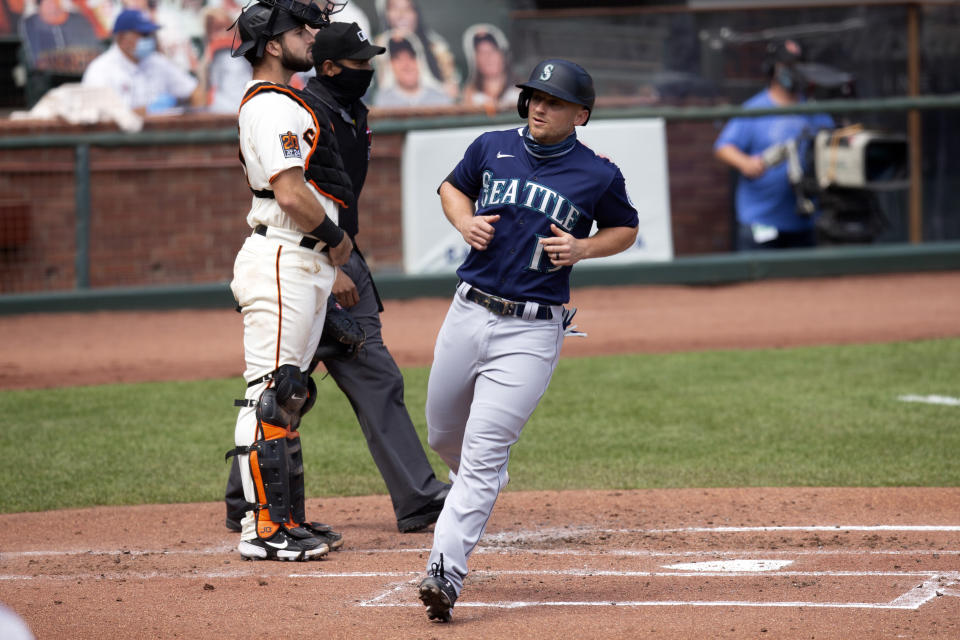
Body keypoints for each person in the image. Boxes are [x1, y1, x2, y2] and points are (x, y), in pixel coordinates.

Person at [416, 59, 639, 622]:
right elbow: (450, 189)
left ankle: (445, 571)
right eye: (535, 96)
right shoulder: (492, 145)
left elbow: (626, 227)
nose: (539, 106)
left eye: (555, 101)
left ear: (580, 115)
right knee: (444, 434)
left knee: (483, 454)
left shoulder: (598, 174)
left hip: (532, 330)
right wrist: (463, 222)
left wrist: (586, 248)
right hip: (467, 314)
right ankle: (481, 478)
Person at [223, 21, 451, 536]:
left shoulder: (347, 109)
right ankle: (417, 497)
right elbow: (303, 196)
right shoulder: (307, 110)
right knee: (328, 376)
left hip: (333, 256)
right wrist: (339, 263)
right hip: (319, 260)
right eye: (359, 64)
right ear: (329, 67)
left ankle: (245, 499)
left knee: (290, 384)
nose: (368, 71)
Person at [224, 0, 352, 562]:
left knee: (290, 394)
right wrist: (338, 240)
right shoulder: (272, 105)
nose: (311, 35)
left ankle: (287, 518)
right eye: (299, 30)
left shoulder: (282, 101)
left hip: (296, 260)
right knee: (270, 395)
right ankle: (262, 528)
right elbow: (292, 193)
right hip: (283, 256)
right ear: (272, 45)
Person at [714, 39, 835, 250]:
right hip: (761, 220)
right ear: (773, 69)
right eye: (787, 66)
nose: (793, 71)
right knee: (759, 282)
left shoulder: (816, 111)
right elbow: (723, 147)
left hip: (804, 219)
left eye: (798, 66)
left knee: (804, 283)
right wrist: (746, 163)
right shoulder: (755, 108)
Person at [81, 8, 203, 114]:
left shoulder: (157, 61)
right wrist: (147, 111)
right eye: (143, 34)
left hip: (160, 136)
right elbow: (99, 119)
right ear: (122, 38)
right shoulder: (100, 70)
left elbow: (196, 91)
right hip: (119, 139)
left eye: (150, 34)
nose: (149, 39)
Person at [373, 0, 457, 100]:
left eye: (408, 9)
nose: (401, 14)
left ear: (417, 13)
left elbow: (453, 89)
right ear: (385, 14)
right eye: (394, 8)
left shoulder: (436, 46)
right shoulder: (376, 47)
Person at [19, 0, 102, 73]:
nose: (52, 5)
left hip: (83, 78)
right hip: (49, 81)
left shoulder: (79, 20)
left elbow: (94, 60)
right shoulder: (30, 23)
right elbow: (37, 65)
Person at [373, 33, 451, 108]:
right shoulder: (382, 102)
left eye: (411, 57)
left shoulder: (441, 100)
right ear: (390, 65)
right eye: (398, 59)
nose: (406, 64)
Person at [459, 23, 519, 113]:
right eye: (481, 53)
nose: (488, 57)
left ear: (503, 56)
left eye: (493, 50)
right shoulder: (468, 95)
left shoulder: (523, 91)